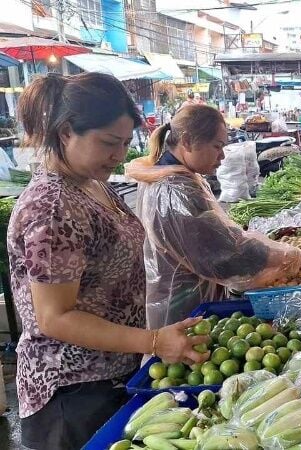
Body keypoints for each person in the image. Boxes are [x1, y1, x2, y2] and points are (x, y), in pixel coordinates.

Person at [7, 73, 210, 450]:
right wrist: (152, 341)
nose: (119, 155)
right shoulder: (52, 206)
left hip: (109, 377)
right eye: (108, 143)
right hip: (70, 393)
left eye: (124, 143)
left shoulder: (92, 182)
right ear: (67, 132)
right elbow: (55, 317)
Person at [126, 105, 301, 329]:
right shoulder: (175, 190)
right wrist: (291, 256)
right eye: (217, 146)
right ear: (187, 141)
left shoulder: (169, 176)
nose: (222, 155)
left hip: (183, 296)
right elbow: (227, 253)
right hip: (183, 310)